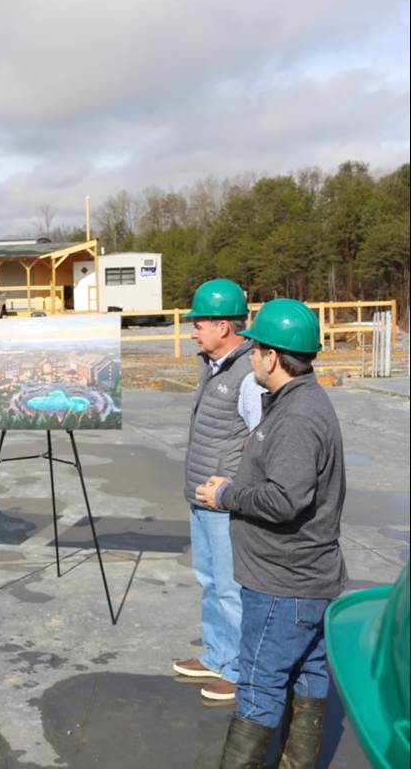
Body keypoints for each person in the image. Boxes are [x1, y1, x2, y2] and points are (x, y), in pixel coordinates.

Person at [195, 299, 346, 769]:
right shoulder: (298, 402)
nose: (252, 357)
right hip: (305, 578)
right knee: (308, 677)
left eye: (256, 349)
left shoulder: (297, 418)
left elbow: (286, 500)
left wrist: (227, 495)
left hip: (283, 582)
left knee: (259, 688)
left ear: (273, 357)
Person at [172, 279, 264, 703]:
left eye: (199, 324)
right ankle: (217, 656)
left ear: (224, 327)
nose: (192, 332)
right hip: (201, 496)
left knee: (230, 588)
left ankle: (238, 671)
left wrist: (234, 488)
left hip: (225, 502)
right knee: (209, 581)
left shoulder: (248, 374)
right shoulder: (213, 366)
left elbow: (261, 440)